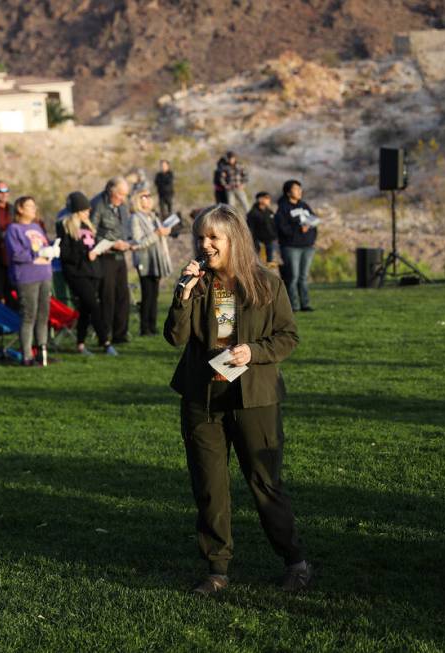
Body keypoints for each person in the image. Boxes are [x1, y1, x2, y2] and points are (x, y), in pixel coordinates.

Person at [165, 204, 312, 596]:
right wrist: (183, 294)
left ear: (234, 240)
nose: (205, 244)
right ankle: (217, 569)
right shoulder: (198, 285)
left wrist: (255, 352)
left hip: (254, 397)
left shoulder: (267, 283)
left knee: (264, 483)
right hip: (204, 397)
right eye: (200, 238)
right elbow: (176, 337)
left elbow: (287, 336)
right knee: (210, 486)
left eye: (213, 237)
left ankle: (295, 561)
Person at [59, 192, 110, 355]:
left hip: (92, 271)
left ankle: (80, 344)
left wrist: (98, 250)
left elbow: (91, 246)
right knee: (94, 306)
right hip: (76, 273)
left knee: (86, 309)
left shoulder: (88, 226)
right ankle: (105, 342)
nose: (89, 212)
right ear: (77, 210)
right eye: (85, 209)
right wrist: (84, 254)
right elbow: (65, 253)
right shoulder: (65, 226)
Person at [5, 196, 54, 365]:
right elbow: (16, 254)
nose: (34, 209)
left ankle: (42, 351)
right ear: (20, 208)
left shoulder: (36, 227)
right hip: (27, 277)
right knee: (28, 315)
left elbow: (43, 246)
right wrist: (37, 254)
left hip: (44, 274)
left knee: (43, 315)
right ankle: (27, 355)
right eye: (30, 206)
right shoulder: (14, 229)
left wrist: (52, 250)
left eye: (35, 205)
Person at [90, 177, 133, 345]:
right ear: (111, 191)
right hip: (104, 256)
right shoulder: (97, 204)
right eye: (121, 194)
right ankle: (104, 334)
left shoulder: (122, 206)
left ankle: (120, 334)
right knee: (107, 296)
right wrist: (113, 244)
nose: (123, 198)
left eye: (125, 195)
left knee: (123, 295)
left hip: (120, 255)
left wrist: (126, 242)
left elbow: (124, 228)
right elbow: (90, 232)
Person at [129, 189, 172, 337]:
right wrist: (157, 234)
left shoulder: (153, 216)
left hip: (157, 260)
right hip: (145, 261)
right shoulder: (135, 218)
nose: (148, 199)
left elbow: (159, 235)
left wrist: (165, 232)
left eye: (149, 196)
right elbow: (137, 242)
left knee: (154, 295)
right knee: (147, 295)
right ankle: (144, 328)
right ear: (138, 200)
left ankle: (152, 327)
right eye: (144, 196)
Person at [274, 180, 317, 312]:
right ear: (288, 192)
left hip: (307, 246)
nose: (299, 191)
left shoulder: (305, 206)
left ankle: (305, 304)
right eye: (296, 189)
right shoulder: (283, 208)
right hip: (291, 247)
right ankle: (293, 305)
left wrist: (311, 236)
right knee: (293, 277)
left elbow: (313, 220)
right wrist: (298, 230)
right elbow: (282, 228)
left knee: (303, 277)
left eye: (300, 189)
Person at [246, 192, 278, 264]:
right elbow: (250, 229)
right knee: (257, 263)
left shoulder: (269, 212)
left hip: (270, 241)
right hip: (257, 243)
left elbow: (274, 225)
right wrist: (253, 242)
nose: (268, 200)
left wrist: (275, 235)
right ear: (260, 199)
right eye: (266, 198)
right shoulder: (252, 213)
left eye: (269, 198)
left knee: (270, 263)